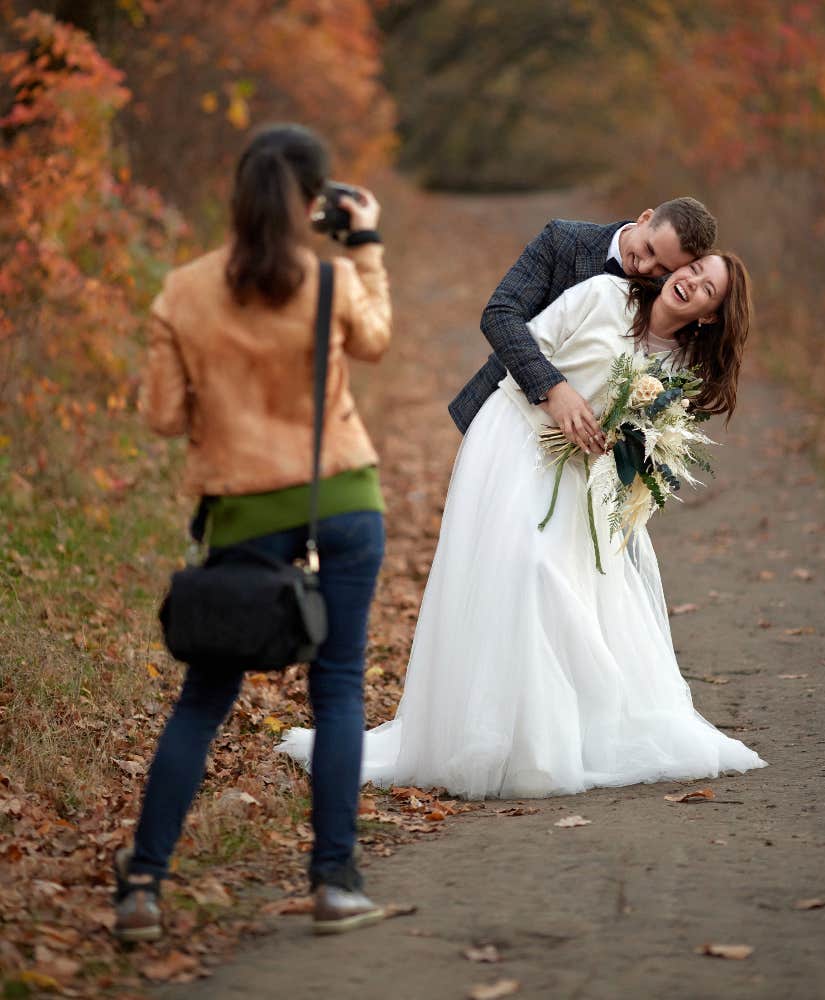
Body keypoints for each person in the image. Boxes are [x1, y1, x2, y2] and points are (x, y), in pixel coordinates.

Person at [278, 253, 767, 799]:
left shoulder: (676, 370)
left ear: (709, 315)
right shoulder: (605, 296)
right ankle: (487, 735)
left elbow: (649, 450)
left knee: (561, 585)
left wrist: (622, 453)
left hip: (580, 476)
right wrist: (557, 399)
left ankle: (551, 732)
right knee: (521, 568)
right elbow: (522, 350)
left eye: (708, 290)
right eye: (693, 272)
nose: (692, 284)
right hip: (514, 437)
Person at [113, 123, 391, 941]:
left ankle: (143, 889)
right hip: (343, 499)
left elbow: (162, 417)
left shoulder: (182, 290)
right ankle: (336, 882)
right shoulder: (333, 279)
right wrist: (366, 243)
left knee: (203, 699)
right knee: (338, 687)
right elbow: (375, 340)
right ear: (317, 203)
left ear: (237, 196)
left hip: (242, 516)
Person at [449, 198, 717, 456]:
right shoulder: (564, 240)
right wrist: (553, 389)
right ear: (645, 218)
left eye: (663, 267)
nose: (646, 266)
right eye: (649, 250)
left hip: (579, 457)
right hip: (506, 411)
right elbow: (501, 314)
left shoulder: (669, 293)